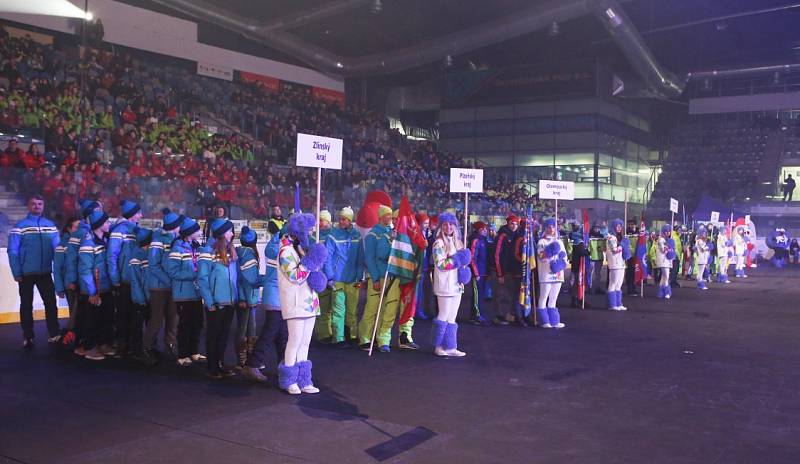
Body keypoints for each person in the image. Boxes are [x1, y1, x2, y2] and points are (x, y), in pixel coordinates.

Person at [276, 213, 328, 394]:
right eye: (308, 230)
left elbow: (311, 272)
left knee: (305, 342)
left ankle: (304, 379)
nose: (311, 233)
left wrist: (314, 263)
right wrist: (311, 261)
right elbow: (295, 276)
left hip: (310, 302)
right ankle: (289, 379)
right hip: (295, 302)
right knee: (295, 341)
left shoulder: (301, 249)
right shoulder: (285, 251)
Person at [7, 195, 61, 349]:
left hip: (45, 273)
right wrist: (17, 272)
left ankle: (54, 333)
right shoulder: (20, 226)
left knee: (51, 304)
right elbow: (13, 251)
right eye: (34, 204)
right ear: (29, 206)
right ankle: (28, 336)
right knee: (26, 306)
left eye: (40, 204)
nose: (37, 206)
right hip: (26, 274)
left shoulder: (50, 226)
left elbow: (57, 250)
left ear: (43, 206)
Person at [242, 219, 288, 381]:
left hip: (278, 297)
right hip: (276, 298)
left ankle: (284, 364)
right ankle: (253, 364)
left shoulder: (276, 246)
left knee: (281, 333)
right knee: (270, 332)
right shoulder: (279, 249)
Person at [198, 218, 239, 379]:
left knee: (224, 335)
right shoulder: (207, 252)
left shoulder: (231, 250)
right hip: (215, 302)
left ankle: (220, 363)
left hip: (230, 301)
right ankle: (212, 366)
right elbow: (203, 279)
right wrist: (209, 301)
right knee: (213, 335)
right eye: (229, 230)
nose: (232, 233)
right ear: (222, 233)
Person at [358, 205, 401, 352]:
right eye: (387, 215)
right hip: (378, 277)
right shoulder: (372, 234)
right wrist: (375, 278)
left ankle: (382, 339)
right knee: (372, 308)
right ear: (381, 217)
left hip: (391, 276)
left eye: (391, 215)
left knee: (387, 310)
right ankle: (365, 338)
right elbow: (370, 258)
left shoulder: (393, 233)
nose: (390, 217)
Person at [143, 208, 183, 363]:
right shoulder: (158, 240)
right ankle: (146, 349)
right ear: (174, 226)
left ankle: (170, 345)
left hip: (170, 287)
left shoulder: (176, 239)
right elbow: (153, 265)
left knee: (173, 318)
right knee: (157, 319)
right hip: (159, 287)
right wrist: (170, 281)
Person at [430, 212, 471, 356]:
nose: (448, 227)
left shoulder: (458, 242)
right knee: (443, 314)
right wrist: (458, 260)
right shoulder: (438, 243)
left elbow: (461, 263)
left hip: (456, 284)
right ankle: (438, 345)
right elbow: (440, 264)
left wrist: (464, 265)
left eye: (451, 224)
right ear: (441, 226)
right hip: (444, 285)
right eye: (445, 224)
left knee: (452, 316)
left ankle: (450, 347)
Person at [168, 216, 206, 367]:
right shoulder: (177, 249)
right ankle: (183, 354)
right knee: (185, 324)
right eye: (197, 229)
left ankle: (194, 351)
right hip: (183, 294)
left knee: (198, 323)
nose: (199, 231)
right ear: (189, 232)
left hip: (196, 293)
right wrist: (194, 275)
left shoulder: (195, 247)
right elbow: (173, 272)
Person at [323, 207, 364, 347]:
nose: (341, 221)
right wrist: (329, 277)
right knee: (338, 310)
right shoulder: (332, 235)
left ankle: (351, 335)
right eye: (340, 218)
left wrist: (360, 277)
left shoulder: (356, 235)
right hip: (337, 279)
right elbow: (327, 258)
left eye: (345, 219)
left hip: (353, 279)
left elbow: (360, 257)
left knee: (352, 309)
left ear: (350, 220)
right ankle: (339, 337)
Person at [107, 200, 143, 357]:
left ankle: (134, 346)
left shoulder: (138, 230)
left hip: (136, 280)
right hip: (125, 280)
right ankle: (122, 346)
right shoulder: (119, 231)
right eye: (139, 212)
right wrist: (115, 279)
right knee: (123, 314)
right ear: (132, 215)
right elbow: (112, 256)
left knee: (136, 315)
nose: (141, 215)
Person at [78, 209, 115, 360]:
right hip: (94, 289)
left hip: (105, 286)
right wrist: (92, 291)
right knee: (91, 320)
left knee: (105, 318)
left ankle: (102, 344)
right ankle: (89, 347)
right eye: (106, 222)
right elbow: (85, 269)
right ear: (99, 225)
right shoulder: (88, 242)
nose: (109, 223)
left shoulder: (105, 240)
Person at [237, 226, 268, 381]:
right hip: (247, 298)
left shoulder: (242, 253)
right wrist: (268, 279)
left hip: (247, 298)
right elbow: (251, 279)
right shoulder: (248, 256)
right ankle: (244, 361)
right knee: (245, 330)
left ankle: (248, 360)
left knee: (249, 329)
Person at [129, 226, 155, 364]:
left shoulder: (148, 255)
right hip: (141, 299)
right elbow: (135, 281)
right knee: (138, 325)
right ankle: (137, 350)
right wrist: (141, 299)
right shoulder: (136, 257)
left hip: (149, 297)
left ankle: (150, 348)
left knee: (150, 323)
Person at [54, 217, 82, 346]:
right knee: (75, 313)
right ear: (69, 229)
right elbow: (57, 268)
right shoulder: (62, 246)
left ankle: (77, 337)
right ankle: (70, 337)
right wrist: (59, 288)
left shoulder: (84, 242)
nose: (79, 230)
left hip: (83, 284)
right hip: (70, 285)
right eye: (76, 227)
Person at [536, 218, 568, 328]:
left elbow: (564, 256)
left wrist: (560, 264)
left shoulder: (559, 241)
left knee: (553, 298)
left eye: (553, 226)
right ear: (545, 228)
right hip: (546, 274)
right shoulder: (542, 242)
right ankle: (544, 320)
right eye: (549, 227)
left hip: (558, 274)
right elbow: (541, 257)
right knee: (544, 297)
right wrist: (549, 251)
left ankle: (554, 320)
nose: (551, 229)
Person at [493, 215, 522, 326]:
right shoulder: (502, 236)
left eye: (515, 224)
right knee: (499, 295)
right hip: (500, 271)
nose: (514, 226)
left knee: (511, 295)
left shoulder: (516, 236)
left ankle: (509, 314)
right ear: (507, 224)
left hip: (510, 271)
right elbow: (497, 255)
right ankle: (498, 316)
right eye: (512, 223)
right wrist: (500, 274)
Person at [312, 209, 335, 343]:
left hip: (332, 276)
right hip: (320, 276)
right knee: (323, 307)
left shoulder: (333, 236)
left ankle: (332, 331)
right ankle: (324, 334)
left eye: (322, 220)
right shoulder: (313, 237)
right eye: (319, 220)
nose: (320, 223)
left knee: (333, 307)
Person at [468, 221, 491, 325]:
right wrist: (476, 273)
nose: (485, 231)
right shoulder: (475, 240)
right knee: (477, 295)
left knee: (480, 294)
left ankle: (477, 314)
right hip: (477, 273)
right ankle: (476, 315)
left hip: (483, 272)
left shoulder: (484, 241)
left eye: (486, 229)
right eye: (483, 229)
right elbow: (472, 258)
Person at [605, 219, 630, 311]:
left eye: (620, 226)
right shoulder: (611, 238)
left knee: (619, 284)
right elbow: (614, 250)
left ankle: (618, 303)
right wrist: (622, 245)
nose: (619, 228)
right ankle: (612, 304)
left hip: (621, 263)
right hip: (614, 263)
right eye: (617, 226)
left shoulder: (619, 237)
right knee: (613, 283)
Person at [656, 224, 676, 298]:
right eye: (666, 231)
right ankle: (667, 291)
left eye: (669, 231)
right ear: (663, 232)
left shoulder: (668, 239)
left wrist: (671, 246)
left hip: (667, 260)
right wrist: (669, 246)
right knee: (666, 276)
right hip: (663, 260)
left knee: (664, 277)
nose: (668, 233)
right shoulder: (661, 239)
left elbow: (672, 250)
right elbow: (663, 249)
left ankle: (661, 292)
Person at [693, 225, 710, 290]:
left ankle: (699, 284)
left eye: (705, 233)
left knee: (700, 272)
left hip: (703, 258)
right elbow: (703, 249)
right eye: (703, 233)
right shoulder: (700, 241)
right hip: (701, 258)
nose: (705, 234)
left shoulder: (701, 240)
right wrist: (708, 247)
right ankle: (700, 284)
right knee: (700, 272)